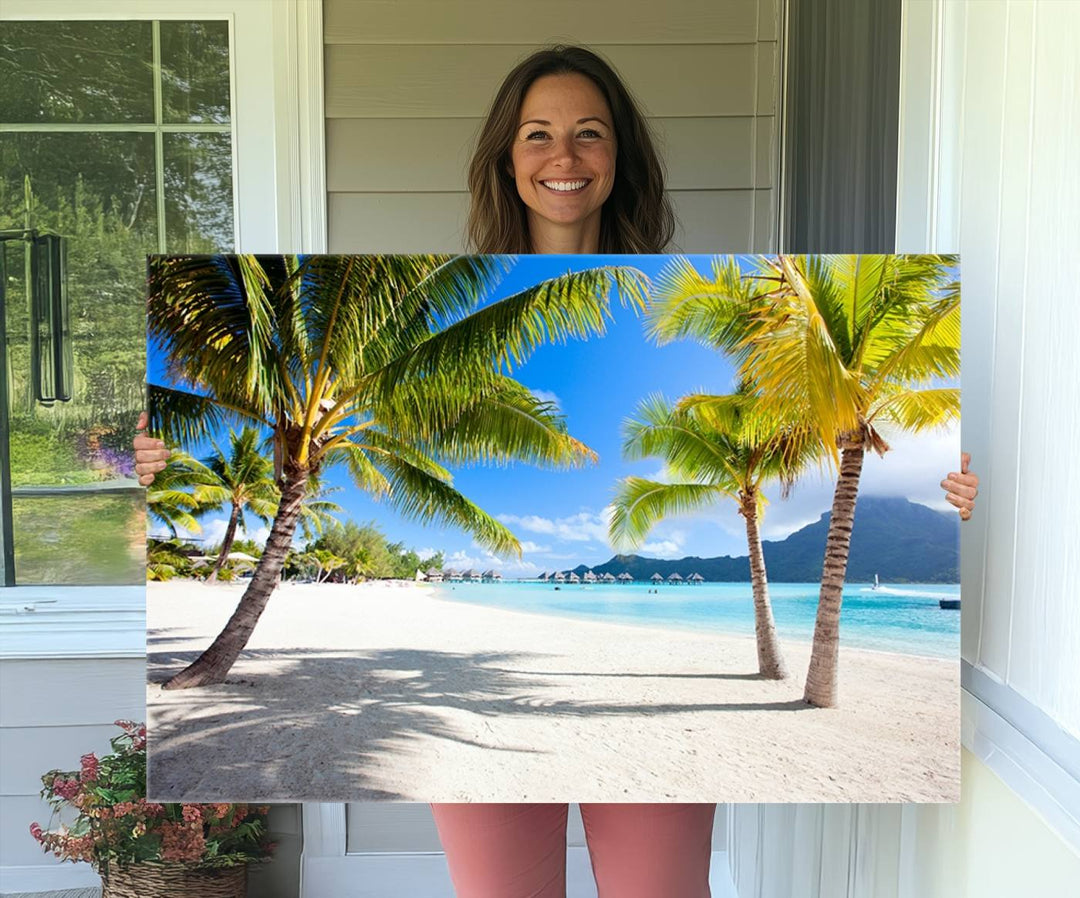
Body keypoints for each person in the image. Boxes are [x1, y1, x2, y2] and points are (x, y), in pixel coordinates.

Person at [134, 45, 979, 898]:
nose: (564, 157)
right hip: (470, 703)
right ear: (507, 157)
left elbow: (808, 422)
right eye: (537, 134)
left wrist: (949, 488)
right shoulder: (427, 286)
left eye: (589, 134)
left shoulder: (724, 295)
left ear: (620, 158)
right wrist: (148, 464)